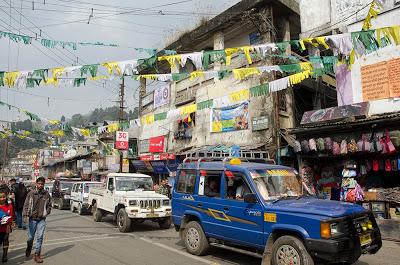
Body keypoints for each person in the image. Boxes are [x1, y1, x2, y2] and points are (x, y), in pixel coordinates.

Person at [23, 177, 51, 263]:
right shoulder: (31, 193)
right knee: (30, 237)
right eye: (39, 183)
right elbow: (26, 205)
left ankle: (37, 255)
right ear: (36, 184)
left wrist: (47, 212)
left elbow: (49, 205)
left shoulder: (46, 194)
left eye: (42, 184)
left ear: (43, 184)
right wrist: (25, 216)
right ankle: (29, 247)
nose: (40, 185)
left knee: (40, 237)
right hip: (32, 219)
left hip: (41, 219)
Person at [0, 187, 13, 263]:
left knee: (5, 241)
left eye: (4, 197)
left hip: (6, 228)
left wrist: (9, 225)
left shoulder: (9, 206)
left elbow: (11, 216)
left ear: (6, 196)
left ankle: (5, 255)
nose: (2, 199)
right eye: (0, 197)